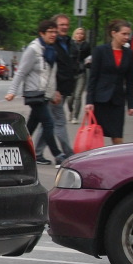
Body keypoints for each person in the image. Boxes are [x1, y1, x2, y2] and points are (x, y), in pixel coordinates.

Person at [4, 19, 64, 165]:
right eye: (50, 32)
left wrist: (53, 92)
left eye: (55, 32)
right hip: (34, 93)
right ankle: (58, 155)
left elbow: (49, 75)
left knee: (31, 126)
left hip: (44, 94)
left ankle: (15, 151)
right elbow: (21, 72)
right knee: (49, 123)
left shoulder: (50, 49)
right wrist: (12, 91)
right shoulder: (34, 50)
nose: (53, 34)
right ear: (41, 33)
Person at [85, 19, 133, 145]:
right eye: (124, 34)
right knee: (97, 135)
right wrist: (89, 101)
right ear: (114, 33)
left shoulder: (129, 54)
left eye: (128, 34)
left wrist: (132, 104)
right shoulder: (100, 51)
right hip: (100, 99)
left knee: (117, 135)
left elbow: (131, 80)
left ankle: (117, 162)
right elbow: (93, 77)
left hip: (117, 100)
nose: (127, 37)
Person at [48, 14, 81, 159]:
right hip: (54, 89)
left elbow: (71, 62)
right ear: (54, 26)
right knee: (59, 122)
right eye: (61, 24)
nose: (65, 27)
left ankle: (35, 153)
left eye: (67, 25)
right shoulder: (50, 44)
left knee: (47, 122)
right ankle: (68, 153)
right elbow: (49, 70)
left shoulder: (68, 42)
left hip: (65, 86)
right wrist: (54, 90)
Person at [68, 25, 91, 120]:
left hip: (81, 72)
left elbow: (89, 57)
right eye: (78, 33)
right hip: (71, 73)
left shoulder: (86, 45)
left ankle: (75, 117)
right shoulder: (70, 44)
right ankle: (71, 110)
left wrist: (88, 63)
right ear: (74, 35)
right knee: (70, 97)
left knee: (78, 95)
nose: (79, 35)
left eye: (81, 34)